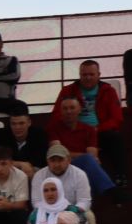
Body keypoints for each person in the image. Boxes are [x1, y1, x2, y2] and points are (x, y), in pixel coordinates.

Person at [54, 59, 128, 190]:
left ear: (99, 75)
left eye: (91, 74)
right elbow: (57, 115)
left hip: (100, 131)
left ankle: (121, 177)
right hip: (75, 131)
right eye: (84, 75)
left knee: (116, 138)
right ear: (79, 75)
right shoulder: (68, 91)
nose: (88, 77)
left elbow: (117, 118)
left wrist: (96, 129)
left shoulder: (108, 91)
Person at [44, 97, 119, 201]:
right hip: (62, 166)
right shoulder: (53, 128)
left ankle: (87, 202)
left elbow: (92, 155)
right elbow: (57, 154)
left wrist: (75, 155)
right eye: (65, 108)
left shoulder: (89, 130)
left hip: (83, 169)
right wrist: (84, 156)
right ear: (61, 111)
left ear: (79, 109)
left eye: (72, 108)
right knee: (88, 160)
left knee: (89, 163)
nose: (68, 111)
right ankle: (111, 191)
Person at [0, 109, 48, 178]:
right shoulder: (2, 134)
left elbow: (41, 161)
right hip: (8, 170)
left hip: (31, 171)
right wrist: (20, 164)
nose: (17, 127)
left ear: (29, 122)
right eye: (13, 124)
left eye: (21, 123)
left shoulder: (39, 134)